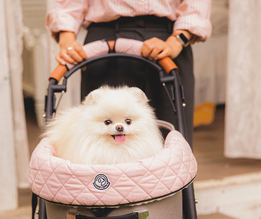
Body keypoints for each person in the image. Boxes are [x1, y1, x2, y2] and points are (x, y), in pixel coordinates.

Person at [46, 1, 212, 146]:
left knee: (173, 141)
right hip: (104, 41)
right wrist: (67, 40)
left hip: (169, 40)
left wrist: (178, 40)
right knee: (98, 145)